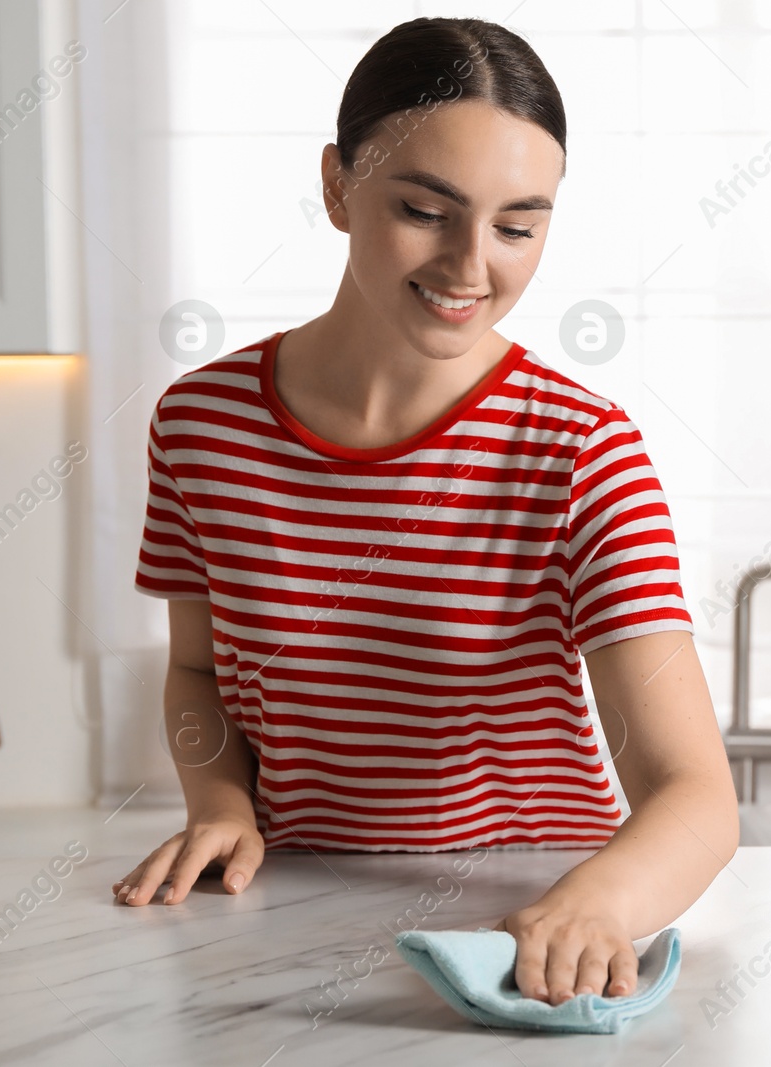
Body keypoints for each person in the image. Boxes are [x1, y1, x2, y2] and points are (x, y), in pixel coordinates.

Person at [113, 15, 738, 1007]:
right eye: (424, 209)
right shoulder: (202, 425)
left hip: (532, 929)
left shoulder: (580, 450)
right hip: (288, 911)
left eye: (517, 226)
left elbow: (696, 795)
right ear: (336, 186)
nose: (469, 266)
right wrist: (222, 800)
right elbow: (196, 671)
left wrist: (594, 903)